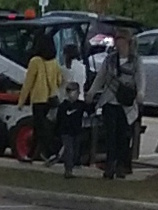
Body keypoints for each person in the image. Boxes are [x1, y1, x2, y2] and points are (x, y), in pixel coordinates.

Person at [87, 30, 140, 178]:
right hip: (110, 102)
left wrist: (141, 93)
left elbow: (140, 78)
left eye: (122, 41)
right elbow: (101, 77)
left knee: (123, 137)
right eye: (118, 41)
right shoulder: (109, 60)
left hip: (126, 104)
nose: (120, 44)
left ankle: (121, 166)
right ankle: (109, 166)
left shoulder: (135, 61)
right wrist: (91, 92)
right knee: (110, 136)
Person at [16, 35, 62, 162]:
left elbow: (28, 83)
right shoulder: (54, 62)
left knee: (39, 127)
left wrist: (21, 101)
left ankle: (50, 152)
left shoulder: (35, 61)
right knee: (38, 127)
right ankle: (31, 154)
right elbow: (59, 80)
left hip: (38, 98)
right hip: (51, 98)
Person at [53, 80, 89, 177]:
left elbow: (90, 110)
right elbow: (58, 120)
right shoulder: (63, 106)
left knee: (75, 151)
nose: (72, 94)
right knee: (69, 151)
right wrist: (57, 133)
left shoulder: (81, 105)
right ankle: (68, 171)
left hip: (77, 131)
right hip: (66, 132)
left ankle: (72, 167)